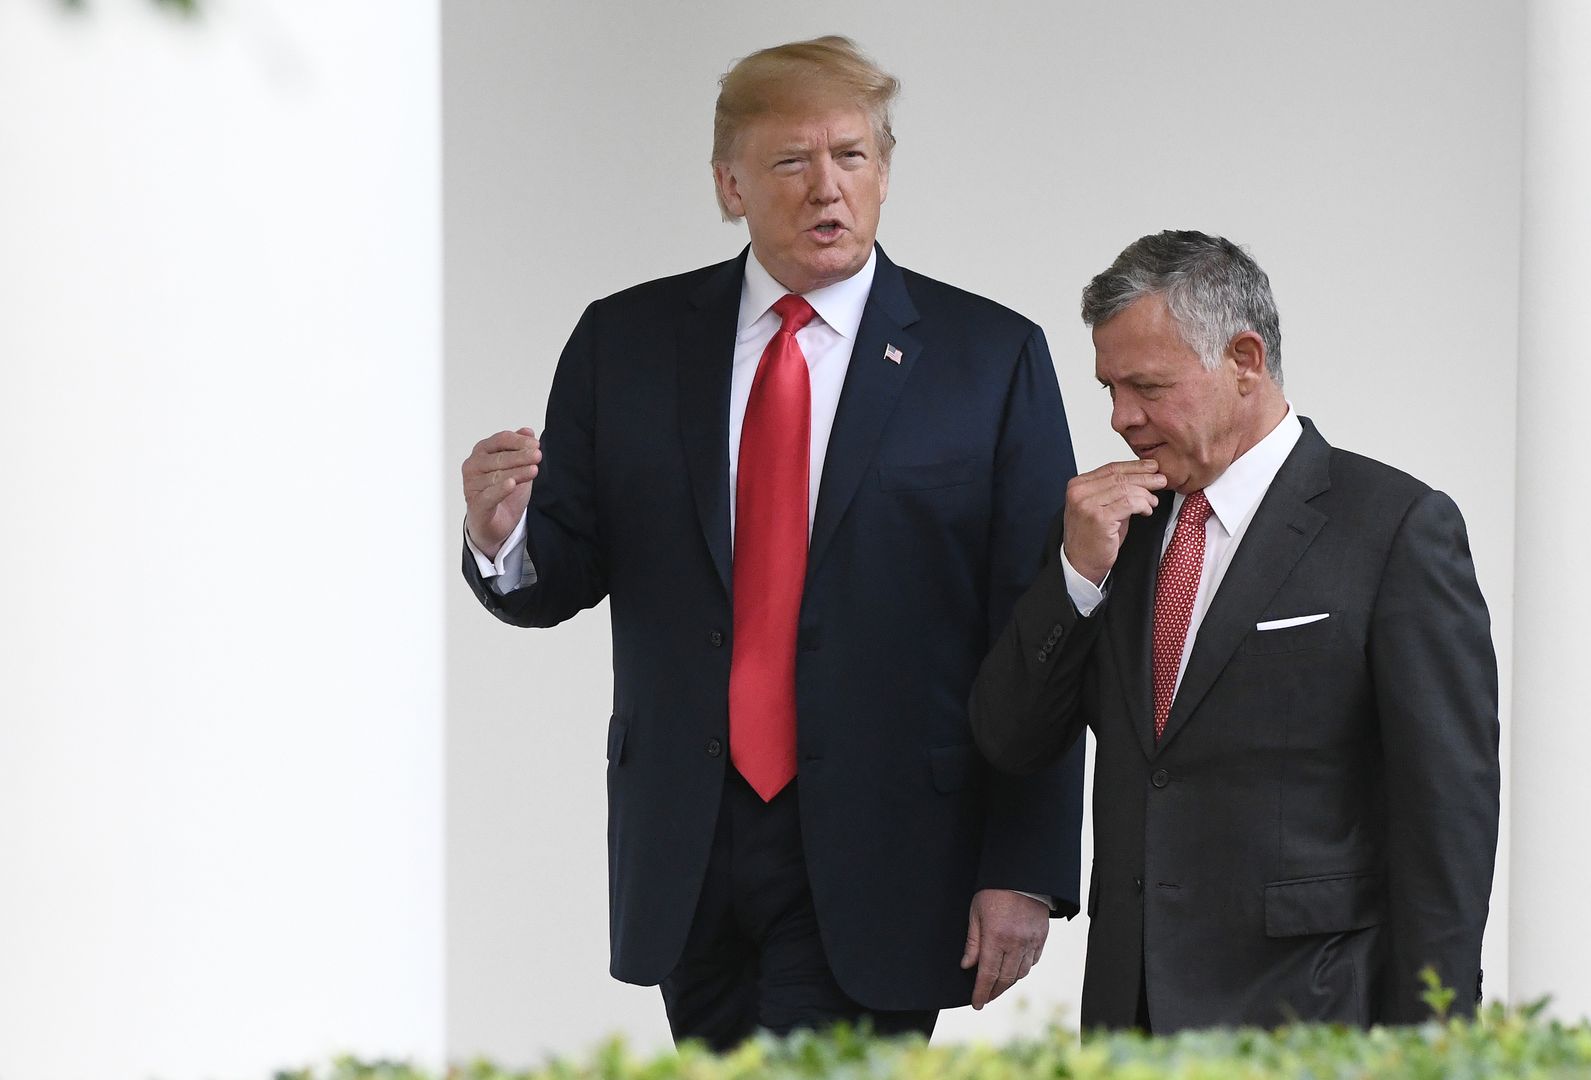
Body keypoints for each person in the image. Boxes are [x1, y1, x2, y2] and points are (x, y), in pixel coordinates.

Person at [458, 36, 1083, 1049]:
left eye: (852, 156)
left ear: (885, 172)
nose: (826, 187)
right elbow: (560, 572)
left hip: (892, 844)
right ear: (729, 185)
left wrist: (1026, 866)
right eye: (792, 162)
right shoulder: (628, 343)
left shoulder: (989, 358)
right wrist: (505, 537)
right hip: (690, 843)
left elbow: (1044, 629)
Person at [970, 230, 1499, 1033]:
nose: (1121, 418)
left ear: (1246, 360)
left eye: (1147, 386)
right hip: (1130, 1022)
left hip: (1312, 1020)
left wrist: (1434, 1041)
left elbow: (1446, 823)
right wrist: (1075, 580)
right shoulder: (1107, 532)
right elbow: (1008, 740)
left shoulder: (1394, 528)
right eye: (1109, 388)